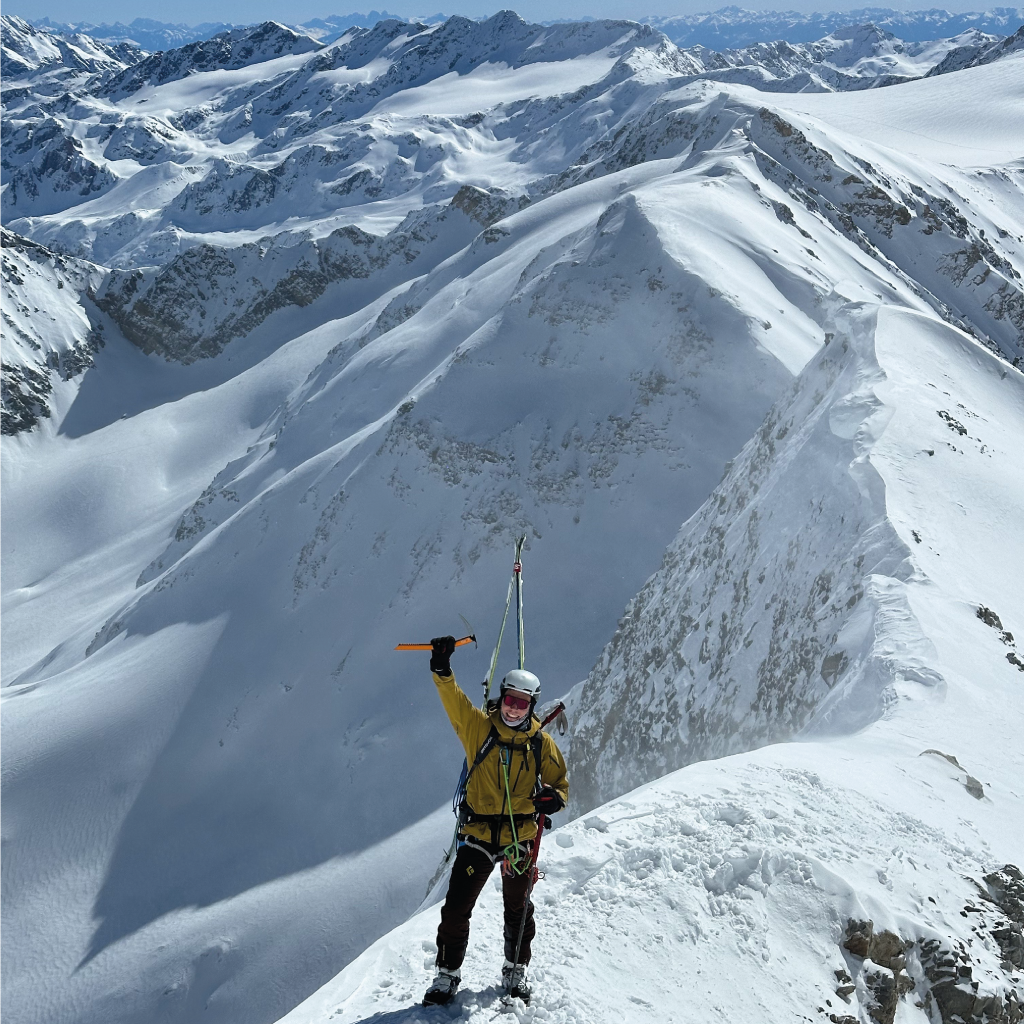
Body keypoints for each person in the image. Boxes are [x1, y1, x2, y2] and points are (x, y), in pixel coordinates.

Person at [423, 635, 569, 1007]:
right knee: (456, 907)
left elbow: (560, 783)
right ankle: (446, 974)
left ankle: (515, 970)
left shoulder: (540, 744)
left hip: (520, 837)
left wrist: (554, 798)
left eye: (522, 704)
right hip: (478, 835)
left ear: (531, 705)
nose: (514, 710)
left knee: (518, 908)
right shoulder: (479, 730)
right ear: (501, 697)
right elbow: (454, 702)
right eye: (509, 700)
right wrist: (442, 668)